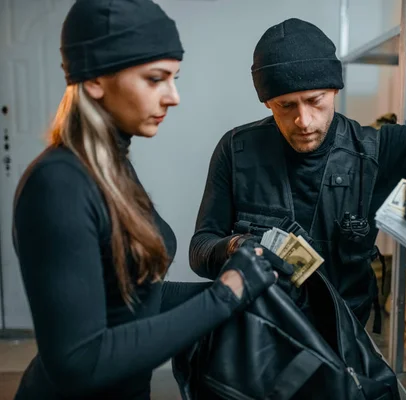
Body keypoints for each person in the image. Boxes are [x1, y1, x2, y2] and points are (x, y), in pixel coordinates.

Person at [11, 1, 278, 399]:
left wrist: (248, 283)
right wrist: (227, 294)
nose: (174, 97)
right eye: (156, 79)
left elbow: (137, 301)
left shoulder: (112, 168)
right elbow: (78, 361)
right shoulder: (57, 185)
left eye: (174, 78)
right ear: (96, 80)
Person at [189, 18, 406, 331]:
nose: (303, 120)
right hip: (257, 332)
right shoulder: (236, 150)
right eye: (285, 106)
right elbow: (200, 249)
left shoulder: (379, 148)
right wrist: (236, 246)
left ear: (334, 90)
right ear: (267, 103)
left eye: (314, 100)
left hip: (342, 335)